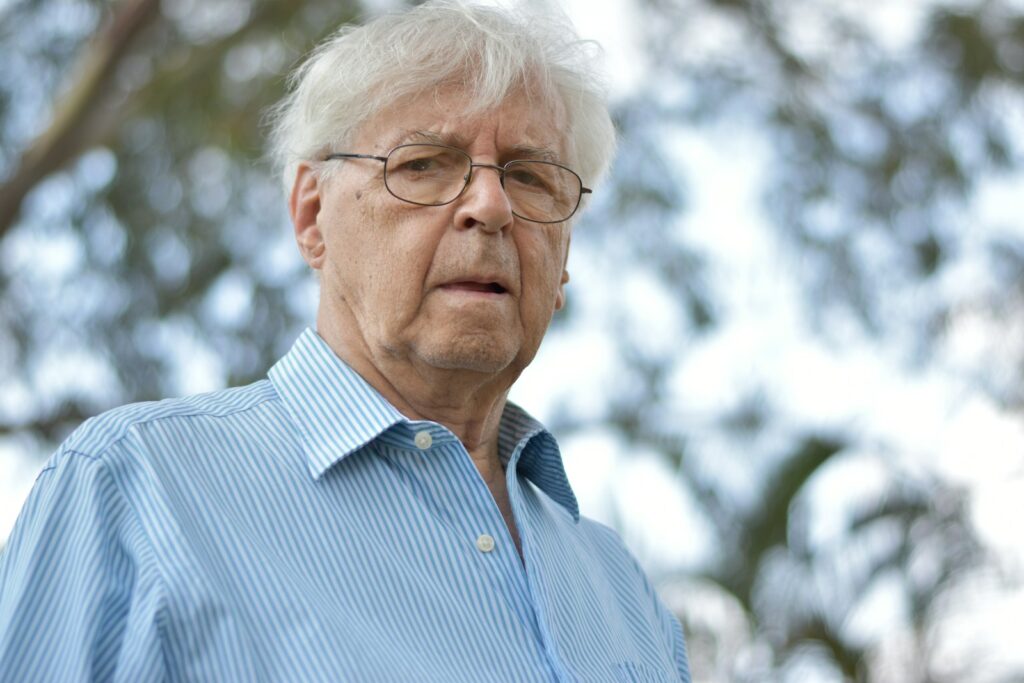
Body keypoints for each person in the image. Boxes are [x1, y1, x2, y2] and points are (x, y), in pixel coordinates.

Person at [0, 2, 692, 680]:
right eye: (424, 164)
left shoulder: (626, 596)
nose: (490, 206)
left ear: (564, 257)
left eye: (531, 177)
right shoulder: (135, 485)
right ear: (312, 215)